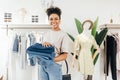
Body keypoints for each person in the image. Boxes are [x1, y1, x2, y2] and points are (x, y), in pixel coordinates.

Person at [39, 6, 70, 80]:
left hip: (54, 66)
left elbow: (65, 55)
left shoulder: (63, 35)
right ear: (48, 21)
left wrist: (51, 60)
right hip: (43, 66)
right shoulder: (45, 34)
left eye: (56, 19)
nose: (53, 21)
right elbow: (41, 51)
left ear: (60, 20)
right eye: (51, 19)